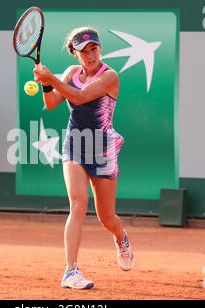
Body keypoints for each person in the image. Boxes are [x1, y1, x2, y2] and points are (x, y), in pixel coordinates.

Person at [33, 27, 135, 290]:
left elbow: (79, 97)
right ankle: (71, 271)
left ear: (99, 49)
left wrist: (50, 79)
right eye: (84, 51)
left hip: (101, 149)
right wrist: (46, 83)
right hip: (75, 146)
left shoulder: (110, 76)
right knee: (78, 205)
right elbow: (52, 103)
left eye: (94, 49)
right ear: (74, 53)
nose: (90, 55)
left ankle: (121, 238)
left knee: (106, 218)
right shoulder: (69, 73)